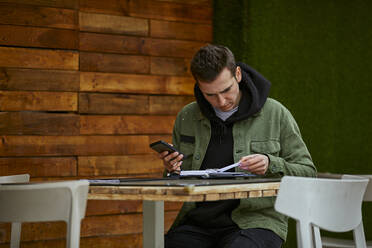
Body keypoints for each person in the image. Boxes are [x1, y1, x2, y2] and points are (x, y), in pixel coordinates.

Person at [159, 44, 316, 248]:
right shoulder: (187, 117)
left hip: (257, 222)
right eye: (210, 95)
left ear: (238, 74)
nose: (221, 101)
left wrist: (271, 164)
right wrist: (172, 170)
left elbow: (309, 173)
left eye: (226, 90)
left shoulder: (276, 114)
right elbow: (173, 182)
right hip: (197, 224)